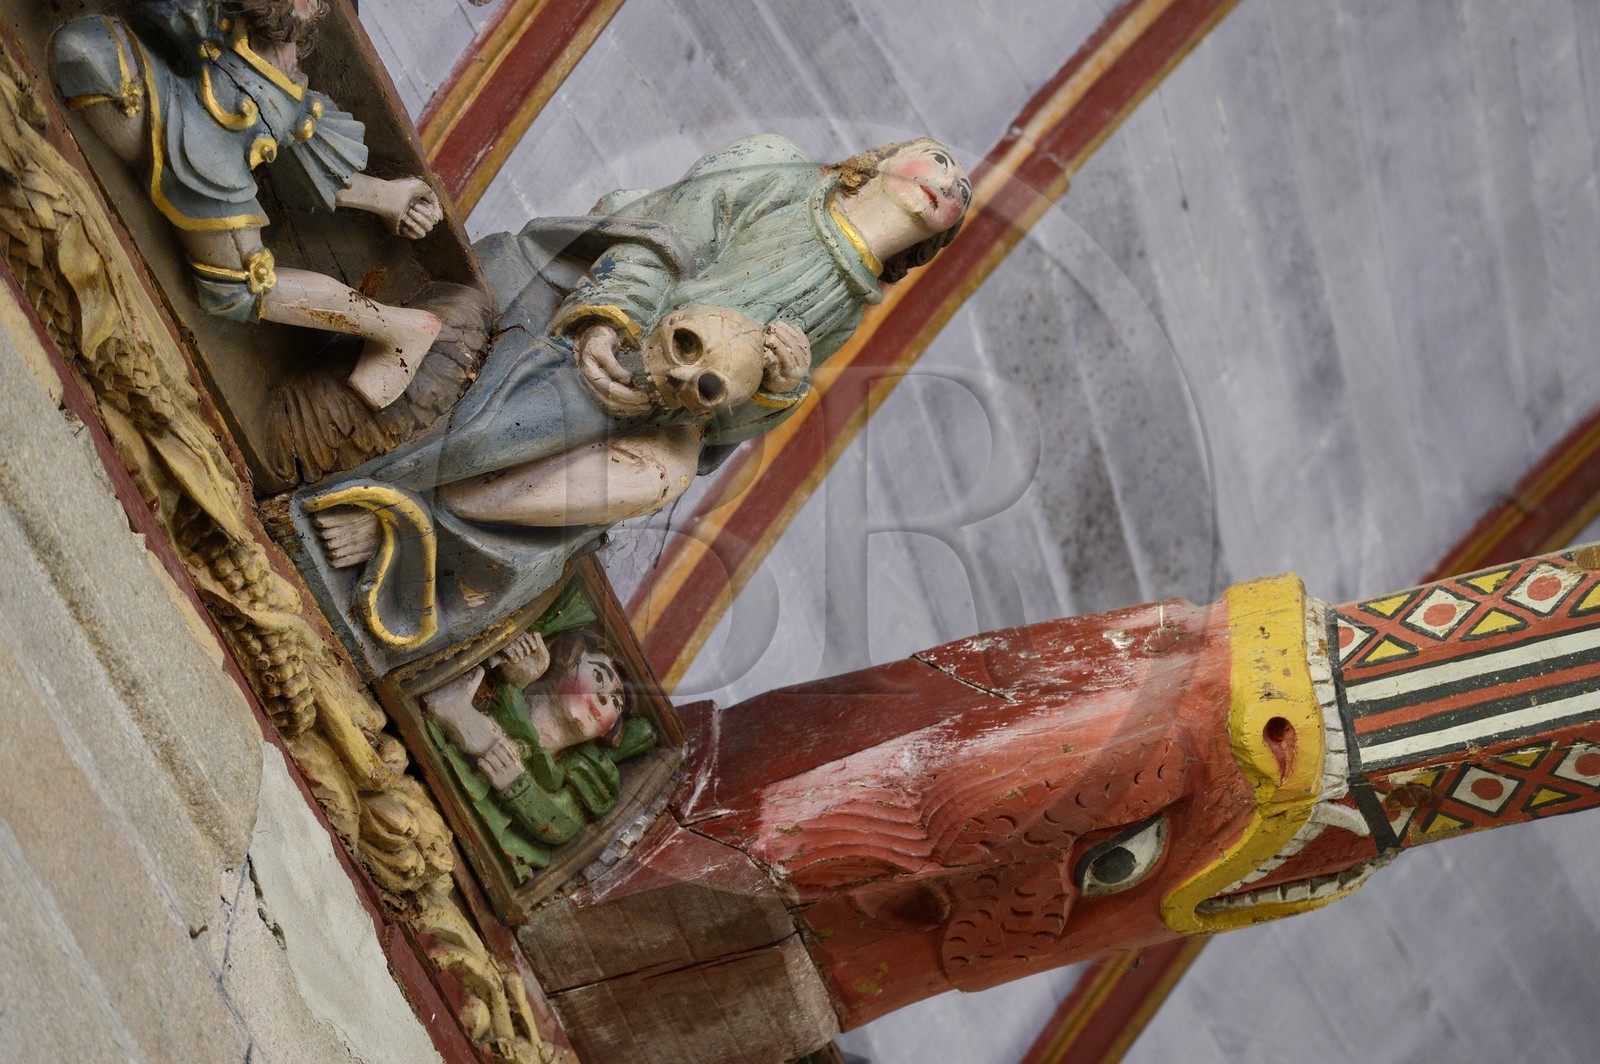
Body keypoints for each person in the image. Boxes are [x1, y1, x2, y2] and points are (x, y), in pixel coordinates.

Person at [295, 134, 971, 663]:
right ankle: (374, 498)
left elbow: (722, 434)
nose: (946, 180)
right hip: (598, 301)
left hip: (672, 397)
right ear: (882, 160)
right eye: (938, 161)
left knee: (664, 472)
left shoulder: (847, 311)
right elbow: (661, 236)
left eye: (960, 190)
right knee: (553, 409)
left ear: (933, 243)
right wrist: (607, 320)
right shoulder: (781, 171)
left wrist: (781, 389)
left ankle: (423, 524)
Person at [51, 0, 445, 410]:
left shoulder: (280, 76)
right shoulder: (236, 21)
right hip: (149, 79)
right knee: (82, 51)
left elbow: (308, 160)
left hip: (207, 165)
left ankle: (396, 328)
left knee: (241, 287)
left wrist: (388, 198)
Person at [423, 628, 656, 874]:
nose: (602, 698)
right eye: (599, 678)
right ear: (567, 661)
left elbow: (563, 823)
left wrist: (516, 782)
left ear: (608, 732)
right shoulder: (506, 698)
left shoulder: (581, 775)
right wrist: (511, 667)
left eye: (615, 702)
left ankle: (457, 713)